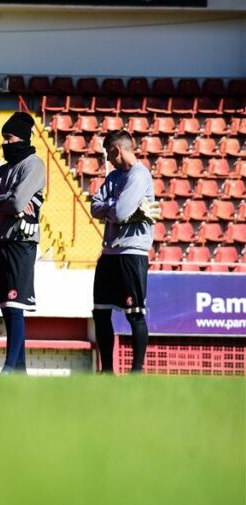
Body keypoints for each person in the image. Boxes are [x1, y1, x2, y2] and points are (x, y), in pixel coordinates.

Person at [0, 112, 46, 374]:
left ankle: (9, 368)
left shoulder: (33, 165)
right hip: (1, 240)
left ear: (22, 138)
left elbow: (18, 203)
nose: (5, 143)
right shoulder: (3, 169)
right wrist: (10, 199)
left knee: (16, 307)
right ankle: (20, 371)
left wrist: (7, 200)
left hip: (21, 240)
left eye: (9, 137)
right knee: (7, 307)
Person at [90, 130, 158, 373]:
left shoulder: (139, 175)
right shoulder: (113, 177)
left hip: (132, 253)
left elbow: (118, 214)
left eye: (109, 153)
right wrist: (115, 206)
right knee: (100, 313)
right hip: (108, 253)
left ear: (117, 150)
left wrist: (114, 210)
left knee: (135, 315)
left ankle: (136, 372)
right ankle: (107, 371)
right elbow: (96, 207)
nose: (108, 159)